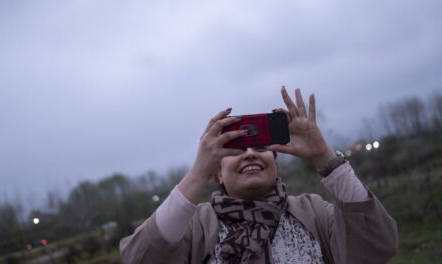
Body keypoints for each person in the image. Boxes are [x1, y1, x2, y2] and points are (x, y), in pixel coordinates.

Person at [120, 87, 398, 263]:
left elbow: (378, 245)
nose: (250, 153)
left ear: (275, 162)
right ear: (217, 173)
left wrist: (324, 155)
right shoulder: (195, 227)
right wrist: (197, 172)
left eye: (261, 146)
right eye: (236, 149)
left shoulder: (314, 212)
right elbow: (140, 257)